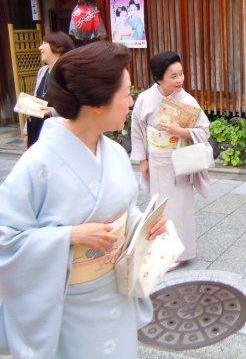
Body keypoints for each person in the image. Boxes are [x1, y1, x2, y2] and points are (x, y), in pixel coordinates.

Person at [0, 41, 166, 359]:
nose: (131, 102)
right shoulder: (38, 163)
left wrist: (141, 225)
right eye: (126, 94)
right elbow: (5, 239)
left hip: (115, 290)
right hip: (69, 304)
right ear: (97, 105)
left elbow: (124, 208)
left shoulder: (114, 153)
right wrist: (70, 236)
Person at [131, 51, 210, 269]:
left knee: (181, 208)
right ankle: (163, 251)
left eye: (181, 74)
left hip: (179, 161)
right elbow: (137, 130)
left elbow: (204, 130)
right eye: (173, 76)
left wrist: (180, 131)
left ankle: (181, 253)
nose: (180, 80)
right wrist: (142, 161)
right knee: (161, 209)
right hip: (156, 161)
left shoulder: (187, 100)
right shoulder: (145, 100)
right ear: (158, 78)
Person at [25, 31, 74, 147]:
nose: (40, 48)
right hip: (36, 128)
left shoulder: (68, 73)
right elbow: (35, 100)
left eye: (44, 43)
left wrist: (51, 111)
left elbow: (74, 106)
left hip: (57, 131)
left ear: (57, 47)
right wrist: (26, 131)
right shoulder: (42, 71)